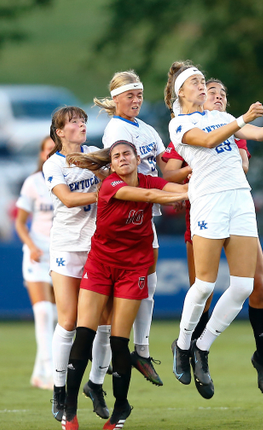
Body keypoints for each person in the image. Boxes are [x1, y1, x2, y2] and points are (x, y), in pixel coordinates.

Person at [164, 60, 263, 399]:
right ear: (181, 91)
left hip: (240, 200)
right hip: (209, 202)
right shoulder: (179, 124)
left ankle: (202, 349)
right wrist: (242, 118)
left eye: (203, 79)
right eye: (195, 81)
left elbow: (259, 133)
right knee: (205, 284)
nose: (202, 84)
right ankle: (182, 343)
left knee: (243, 286)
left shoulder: (221, 118)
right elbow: (205, 142)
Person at [61, 140, 188, 430]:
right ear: (112, 163)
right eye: (116, 156)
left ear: (136, 157)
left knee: (119, 340)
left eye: (126, 154)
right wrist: (188, 193)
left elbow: (171, 189)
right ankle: (69, 409)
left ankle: (121, 407)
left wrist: (196, 190)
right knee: (85, 333)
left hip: (133, 269)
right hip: (101, 264)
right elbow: (147, 195)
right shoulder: (111, 185)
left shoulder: (149, 178)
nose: (121, 159)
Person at [163, 78, 263, 395]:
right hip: (200, 214)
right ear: (198, 98)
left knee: (256, 286)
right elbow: (168, 172)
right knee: (204, 290)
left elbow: (243, 162)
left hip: (234, 207)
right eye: (212, 92)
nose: (218, 97)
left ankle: (262, 356)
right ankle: (195, 355)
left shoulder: (231, 128)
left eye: (224, 94)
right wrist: (189, 174)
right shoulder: (186, 127)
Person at [93, 70, 166, 386]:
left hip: (145, 214)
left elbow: (165, 167)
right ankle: (109, 362)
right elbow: (121, 171)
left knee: (147, 284)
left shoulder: (148, 128)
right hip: (124, 218)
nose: (136, 100)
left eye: (139, 94)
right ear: (116, 98)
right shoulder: (115, 130)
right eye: (129, 95)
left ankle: (141, 351)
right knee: (111, 298)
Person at [43, 106, 111, 422]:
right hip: (67, 247)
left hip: (98, 248)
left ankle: (95, 384)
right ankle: (59, 390)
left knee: (104, 320)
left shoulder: (96, 156)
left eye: (83, 120)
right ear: (59, 131)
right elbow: (68, 199)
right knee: (68, 320)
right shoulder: (53, 164)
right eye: (73, 121)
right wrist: (102, 192)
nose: (81, 124)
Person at [15, 136, 56, 390]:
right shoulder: (33, 183)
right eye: (48, 150)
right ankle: (50, 373)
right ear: (42, 154)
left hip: (62, 254)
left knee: (60, 318)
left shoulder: (71, 180)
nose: (51, 154)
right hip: (37, 253)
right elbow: (20, 222)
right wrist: (31, 246)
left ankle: (39, 372)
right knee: (43, 312)